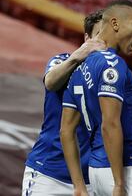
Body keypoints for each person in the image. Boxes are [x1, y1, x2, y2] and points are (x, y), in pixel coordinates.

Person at [60, 0, 132, 196]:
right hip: (128, 169)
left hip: (96, 172)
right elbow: (110, 124)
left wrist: (78, 186)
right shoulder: (112, 64)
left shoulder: (78, 67)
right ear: (115, 24)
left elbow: (66, 130)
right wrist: (119, 183)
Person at [22, 10, 105, 196]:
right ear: (87, 37)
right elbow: (51, 82)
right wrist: (79, 55)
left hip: (92, 179)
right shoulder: (62, 60)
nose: (104, 42)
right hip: (47, 174)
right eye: (100, 35)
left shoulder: (115, 76)